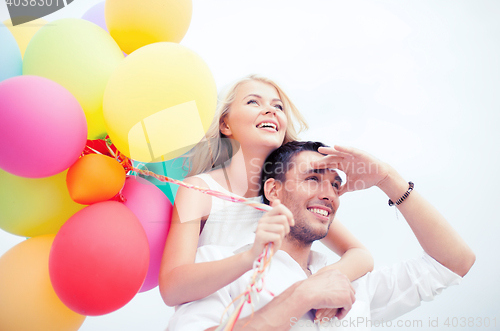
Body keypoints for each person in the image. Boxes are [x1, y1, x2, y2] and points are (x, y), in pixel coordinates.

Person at [167, 141, 475, 330]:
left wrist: (388, 179)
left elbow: (453, 263)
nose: (329, 194)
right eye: (313, 179)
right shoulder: (221, 265)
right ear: (274, 191)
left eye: (335, 185)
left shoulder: (350, 284)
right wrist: (303, 295)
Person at [159, 76, 374, 320]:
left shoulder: (288, 196)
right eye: (253, 102)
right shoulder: (198, 190)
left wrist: (317, 283)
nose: (270, 110)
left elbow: (360, 254)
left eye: (278, 106)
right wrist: (249, 258)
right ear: (225, 124)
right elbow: (172, 288)